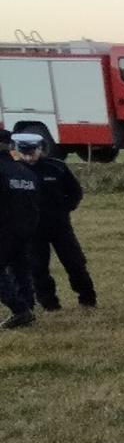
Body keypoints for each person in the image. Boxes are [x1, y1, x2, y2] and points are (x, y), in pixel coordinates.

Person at [14, 134, 94, 309]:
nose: (28, 157)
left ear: (41, 149)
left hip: (59, 226)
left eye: (32, 152)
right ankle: (49, 304)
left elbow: (75, 192)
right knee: (37, 268)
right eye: (24, 152)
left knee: (75, 263)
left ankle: (87, 299)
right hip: (32, 229)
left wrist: (64, 209)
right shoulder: (15, 172)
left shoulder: (56, 168)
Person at [0, 130, 41, 328]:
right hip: (25, 230)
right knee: (20, 271)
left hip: (4, 229)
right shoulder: (25, 172)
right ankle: (28, 308)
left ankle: (20, 310)